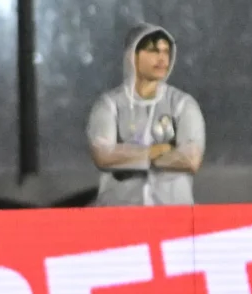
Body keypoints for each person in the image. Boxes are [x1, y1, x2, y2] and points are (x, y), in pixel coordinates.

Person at [86, 25, 204, 206]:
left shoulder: (183, 104)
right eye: (153, 50)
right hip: (120, 216)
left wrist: (126, 155)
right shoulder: (109, 105)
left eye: (166, 51)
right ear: (133, 55)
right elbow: (103, 156)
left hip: (173, 215)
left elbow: (190, 159)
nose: (162, 58)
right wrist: (159, 150)